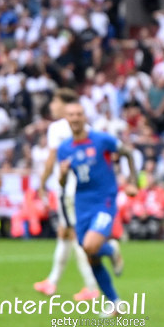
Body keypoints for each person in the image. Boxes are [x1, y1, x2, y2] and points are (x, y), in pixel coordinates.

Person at [58, 100, 138, 315]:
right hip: (82, 203)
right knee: (88, 253)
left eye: (78, 114)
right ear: (66, 119)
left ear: (85, 117)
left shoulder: (101, 140)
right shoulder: (64, 148)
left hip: (105, 200)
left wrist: (133, 182)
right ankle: (115, 303)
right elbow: (63, 182)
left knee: (91, 246)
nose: (75, 118)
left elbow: (128, 152)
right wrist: (63, 175)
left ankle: (111, 249)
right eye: (71, 115)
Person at [34, 88, 100, 301]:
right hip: (83, 189)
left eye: (54, 101)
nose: (52, 106)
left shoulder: (56, 128)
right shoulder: (86, 129)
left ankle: (91, 285)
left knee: (75, 235)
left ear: (64, 104)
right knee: (64, 232)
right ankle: (52, 281)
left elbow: (52, 157)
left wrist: (42, 182)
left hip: (68, 190)